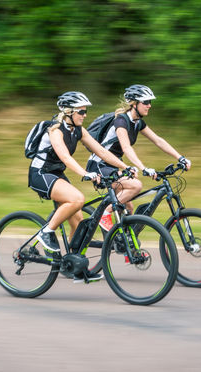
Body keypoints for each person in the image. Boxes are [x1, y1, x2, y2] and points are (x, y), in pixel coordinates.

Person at [28, 91, 131, 283]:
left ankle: (75, 266)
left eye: (85, 112)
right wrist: (85, 174)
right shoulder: (55, 130)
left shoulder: (78, 130)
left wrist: (125, 167)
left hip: (56, 174)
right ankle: (46, 232)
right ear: (68, 112)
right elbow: (66, 157)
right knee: (77, 199)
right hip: (40, 173)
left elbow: (100, 150)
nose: (85, 115)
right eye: (81, 112)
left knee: (78, 219)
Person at [86, 84, 191, 230]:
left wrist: (180, 157)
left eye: (150, 102)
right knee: (135, 185)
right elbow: (126, 147)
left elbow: (158, 140)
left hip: (114, 165)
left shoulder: (137, 123)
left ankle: (123, 241)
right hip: (100, 165)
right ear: (134, 104)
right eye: (146, 102)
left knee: (129, 207)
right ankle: (105, 213)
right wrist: (144, 168)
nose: (149, 106)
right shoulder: (121, 121)